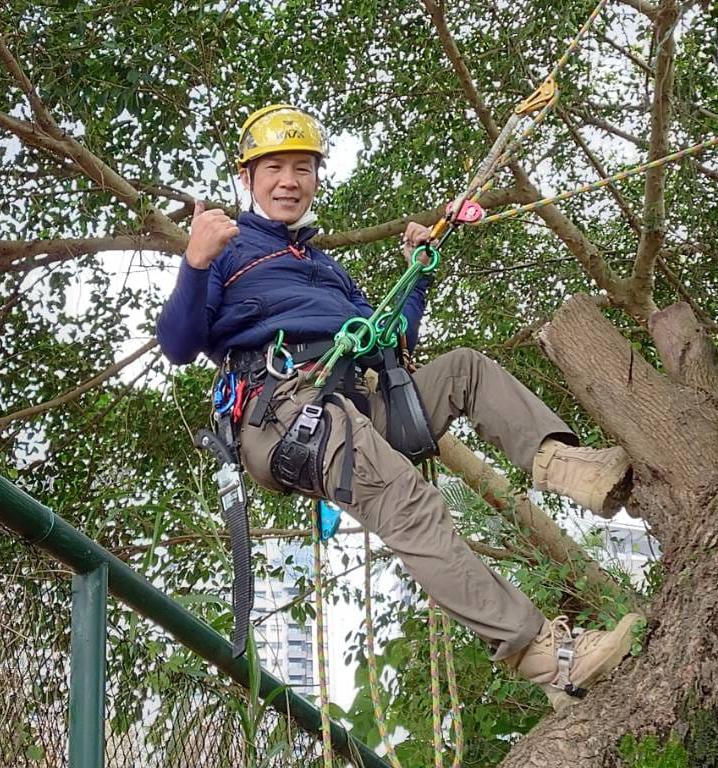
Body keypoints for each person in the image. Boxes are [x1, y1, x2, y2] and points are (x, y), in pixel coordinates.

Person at [156, 104, 639, 705]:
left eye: (302, 168)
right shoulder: (226, 246)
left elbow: (392, 338)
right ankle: (543, 655)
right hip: (286, 412)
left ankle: (566, 467)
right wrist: (195, 259)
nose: (288, 181)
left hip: (359, 397)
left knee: (462, 368)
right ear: (247, 177)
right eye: (273, 167)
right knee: (408, 501)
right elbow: (178, 344)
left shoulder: (324, 266)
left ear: (315, 178)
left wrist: (418, 274)